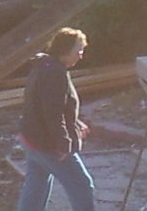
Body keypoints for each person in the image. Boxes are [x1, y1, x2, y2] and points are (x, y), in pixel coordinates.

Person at [17, 27, 94, 211]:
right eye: (78, 51)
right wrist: (63, 145)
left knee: (36, 189)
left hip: (32, 139)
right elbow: (53, 114)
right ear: (65, 51)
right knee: (82, 186)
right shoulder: (55, 74)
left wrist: (74, 122)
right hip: (48, 144)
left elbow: (44, 105)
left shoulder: (44, 66)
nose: (81, 56)